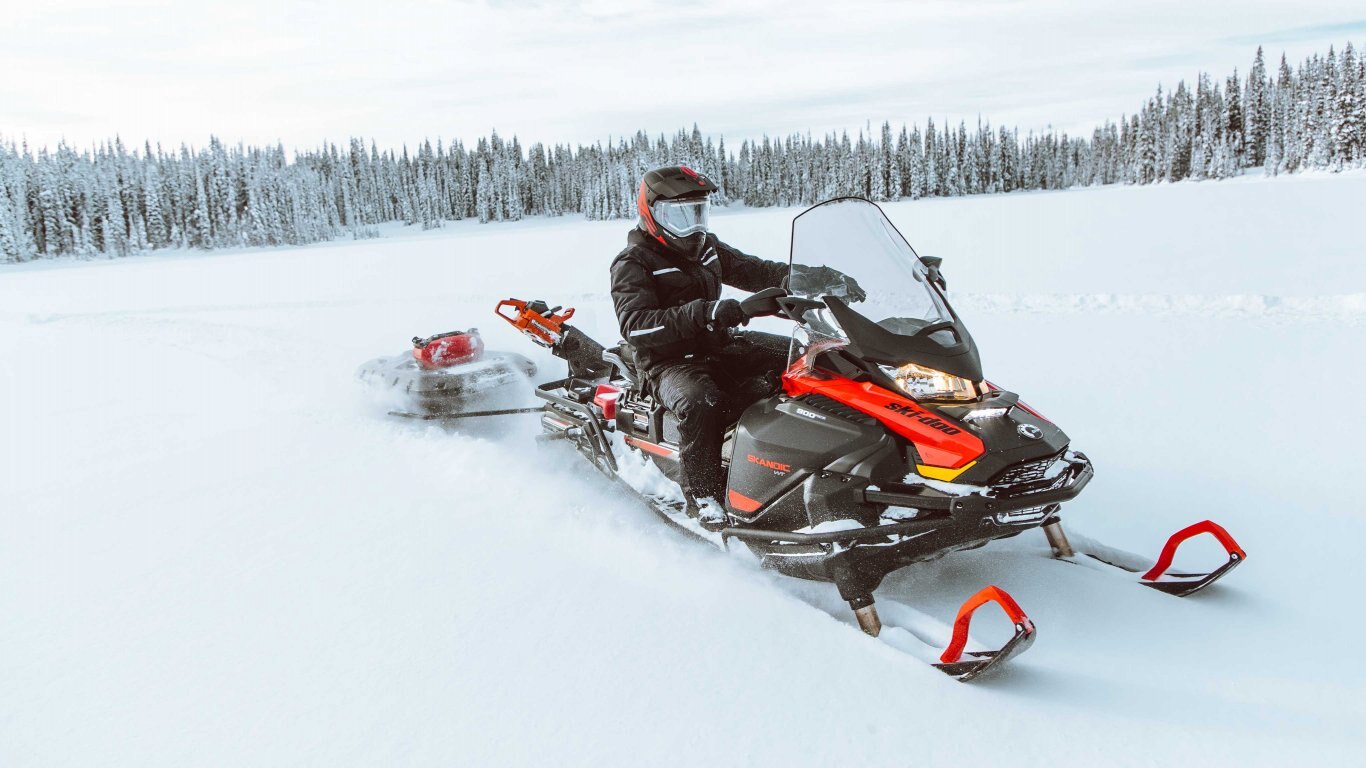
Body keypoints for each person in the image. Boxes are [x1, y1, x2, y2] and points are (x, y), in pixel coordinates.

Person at [609, 166, 863, 530]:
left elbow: (756, 270)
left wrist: (819, 277)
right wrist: (713, 312)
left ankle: (829, 456)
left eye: (698, 212)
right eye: (680, 215)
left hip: (720, 345)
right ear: (652, 214)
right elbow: (637, 325)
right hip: (668, 363)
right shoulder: (633, 262)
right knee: (701, 402)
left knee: (811, 356)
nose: (693, 226)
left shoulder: (707, 248)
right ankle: (704, 499)